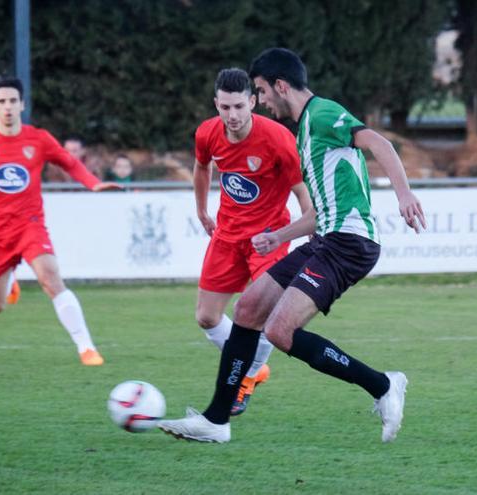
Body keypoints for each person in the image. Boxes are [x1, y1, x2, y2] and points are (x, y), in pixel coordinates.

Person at [158, 48, 426, 444]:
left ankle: (383, 385)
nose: (261, 101)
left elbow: (379, 143)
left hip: (351, 244)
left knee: (281, 332)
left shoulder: (321, 114)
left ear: (281, 86)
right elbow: (320, 211)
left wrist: (404, 194)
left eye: (263, 92)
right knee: (248, 308)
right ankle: (216, 420)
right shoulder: (304, 131)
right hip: (325, 239)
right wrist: (279, 236)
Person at [0, 77, 122, 366]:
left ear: (22, 104)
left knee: (50, 277)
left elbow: (69, 162)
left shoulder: (38, 139)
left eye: (13, 100)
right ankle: (10, 276)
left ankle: (86, 347)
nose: (8, 106)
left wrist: (92, 184)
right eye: (2, 101)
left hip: (30, 224)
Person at [191, 67, 312, 415]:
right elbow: (202, 167)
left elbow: (304, 196)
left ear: (254, 102)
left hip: (267, 240)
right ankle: (254, 367)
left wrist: (299, 233)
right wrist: (201, 209)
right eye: (225, 107)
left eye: (239, 107)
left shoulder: (277, 139)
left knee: (264, 319)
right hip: (227, 236)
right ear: (216, 104)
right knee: (206, 317)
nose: (232, 115)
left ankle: (243, 378)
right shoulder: (207, 134)